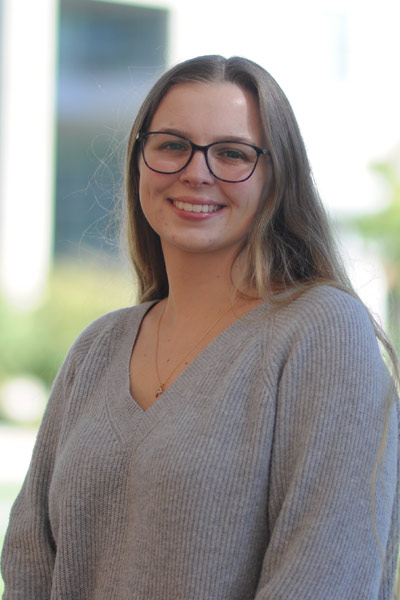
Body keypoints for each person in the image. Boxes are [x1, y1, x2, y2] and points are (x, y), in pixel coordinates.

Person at [1, 55, 399, 599]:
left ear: (276, 177)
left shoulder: (323, 332)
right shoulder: (97, 347)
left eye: (232, 153)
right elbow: (28, 563)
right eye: (172, 145)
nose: (196, 171)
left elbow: (326, 576)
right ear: (139, 159)